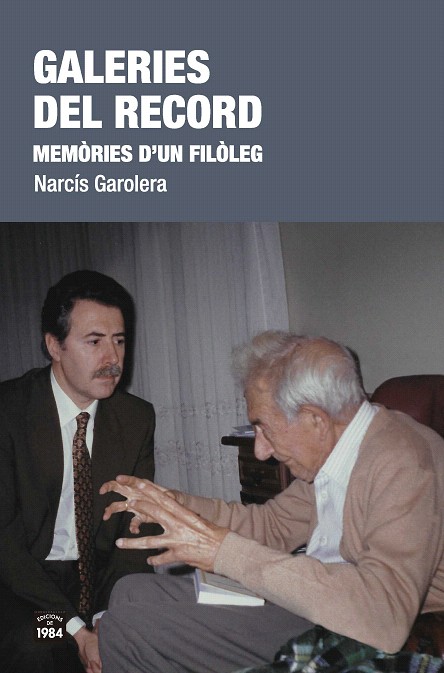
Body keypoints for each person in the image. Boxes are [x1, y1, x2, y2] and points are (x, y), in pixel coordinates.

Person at [98, 331, 444, 673]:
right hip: (316, 600)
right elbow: (272, 525)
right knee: (130, 590)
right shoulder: (340, 448)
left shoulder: (404, 461)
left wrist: (223, 552)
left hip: (359, 625)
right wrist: (173, 504)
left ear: (315, 419)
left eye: (264, 427)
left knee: (127, 630)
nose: (261, 451)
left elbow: (383, 616)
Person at [0, 270, 159, 673]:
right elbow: (5, 543)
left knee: (156, 632)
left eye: (119, 340)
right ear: (54, 345)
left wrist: (104, 620)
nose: (113, 359)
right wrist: (76, 629)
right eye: (94, 341)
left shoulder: (136, 418)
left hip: (99, 586)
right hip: (25, 592)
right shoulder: (9, 412)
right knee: (38, 642)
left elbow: (134, 529)